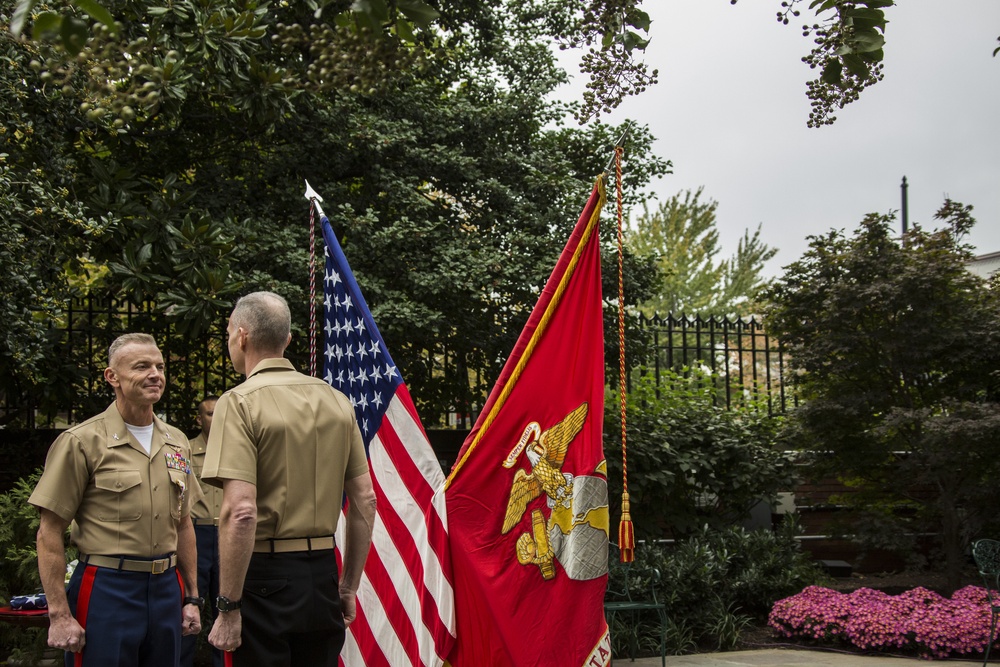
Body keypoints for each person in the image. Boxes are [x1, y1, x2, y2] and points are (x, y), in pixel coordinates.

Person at [202, 291, 376, 667]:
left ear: (242, 336)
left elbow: (242, 512)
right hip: (322, 575)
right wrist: (347, 586)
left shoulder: (239, 402)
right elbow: (366, 500)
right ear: (288, 341)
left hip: (263, 577)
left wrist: (229, 605)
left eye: (229, 331)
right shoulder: (336, 400)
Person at [29, 332, 204, 667]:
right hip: (107, 589)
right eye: (142, 366)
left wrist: (192, 597)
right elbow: (49, 532)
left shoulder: (177, 442)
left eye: (160, 366)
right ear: (113, 377)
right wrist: (59, 615)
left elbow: (183, 524)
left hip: (167, 588)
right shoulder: (82, 442)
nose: (156, 374)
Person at [180, 395, 224, 667]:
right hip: (196, 536)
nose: (216, 419)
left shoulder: (237, 448)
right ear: (199, 418)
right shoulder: (184, 449)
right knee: (188, 605)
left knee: (227, 608)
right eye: (210, 414)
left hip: (229, 537)